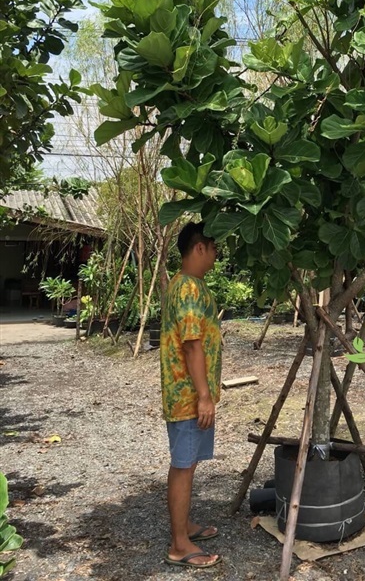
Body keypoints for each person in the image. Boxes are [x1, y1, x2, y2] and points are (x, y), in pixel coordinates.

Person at [161, 222, 223, 569]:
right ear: (199, 248)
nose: (216, 257)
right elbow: (192, 344)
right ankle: (179, 545)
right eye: (214, 249)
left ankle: (184, 527)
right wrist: (203, 395)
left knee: (189, 463)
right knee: (183, 466)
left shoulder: (190, 285)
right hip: (187, 396)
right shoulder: (187, 288)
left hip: (190, 395)